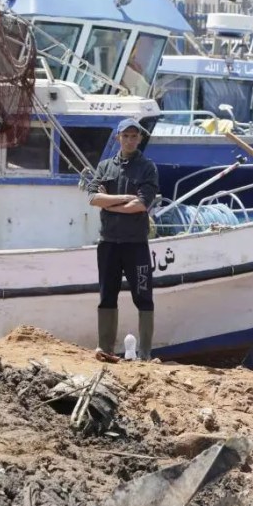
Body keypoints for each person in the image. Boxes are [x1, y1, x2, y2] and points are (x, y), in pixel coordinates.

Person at [87, 118, 159, 362]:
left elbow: (140, 205)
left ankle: (146, 353)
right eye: (125, 135)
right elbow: (94, 198)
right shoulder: (105, 166)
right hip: (108, 242)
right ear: (118, 138)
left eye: (133, 136)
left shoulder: (147, 167)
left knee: (143, 296)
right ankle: (105, 348)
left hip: (135, 243)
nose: (129, 139)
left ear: (139, 138)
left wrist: (111, 204)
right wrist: (123, 199)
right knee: (107, 294)